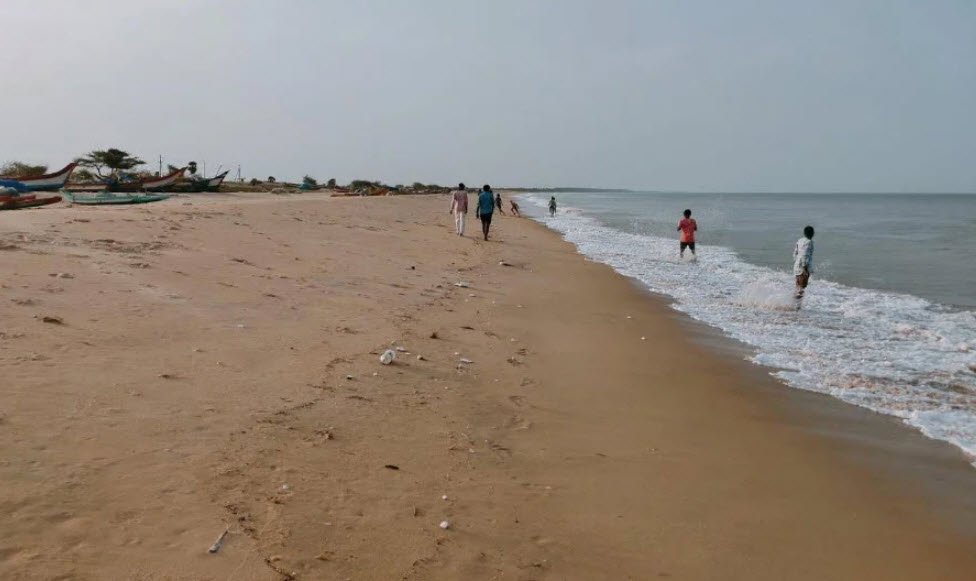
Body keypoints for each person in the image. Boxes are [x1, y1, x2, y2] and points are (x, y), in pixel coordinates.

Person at [793, 225, 815, 303]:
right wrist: (804, 267)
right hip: (803, 268)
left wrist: (797, 263)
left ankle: (793, 305)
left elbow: (795, 253)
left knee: (798, 287)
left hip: (796, 267)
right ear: (812, 233)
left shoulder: (800, 240)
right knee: (801, 288)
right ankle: (796, 307)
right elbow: (804, 254)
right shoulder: (809, 242)